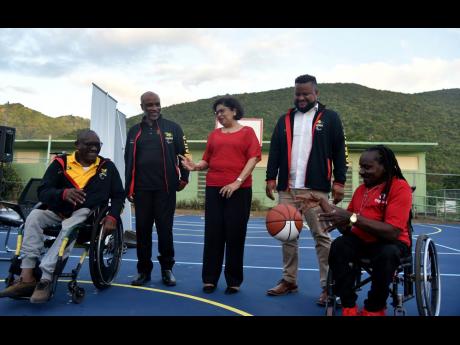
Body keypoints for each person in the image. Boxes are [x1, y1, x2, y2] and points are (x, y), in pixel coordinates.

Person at [0, 130, 124, 303]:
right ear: (77, 145)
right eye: (89, 144)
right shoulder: (61, 163)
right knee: (34, 217)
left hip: (87, 214)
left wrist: (113, 216)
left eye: (98, 145)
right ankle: (26, 276)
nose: (95, 148)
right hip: (58, 211)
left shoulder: (107, 167)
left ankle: (45, 278)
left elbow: (118, 195)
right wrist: (62, 194)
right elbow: (43, 191)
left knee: (70, 225)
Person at [265, 74, 348, 306]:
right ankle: (289, 280)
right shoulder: (284, 120)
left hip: (316, 191)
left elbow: (340, 151)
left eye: (305, 94)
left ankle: (328, 287)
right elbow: (275, 151)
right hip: (288, 188)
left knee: (322, 237)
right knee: (288, 235)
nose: (301, 98)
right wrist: (271, 177)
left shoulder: (330, 118)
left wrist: (339, 181)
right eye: (297, 94)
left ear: (316, 93)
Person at [300, 145, 412, 316]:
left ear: (385, 167)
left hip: (391, 243)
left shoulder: (399, 187)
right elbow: (347, 228)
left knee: (387, 253)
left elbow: (392, 232)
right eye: (361, 167)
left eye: (367, 167)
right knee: (339, 246)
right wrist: (328, 209)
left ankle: (374, 308)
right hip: (363, 242)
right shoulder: (361, 191)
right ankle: (348, 305)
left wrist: (351, 217)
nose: (362, 171)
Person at [180, 96, 261, 294]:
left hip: (239, 190)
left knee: (235, 234)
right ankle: (210, 279)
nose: (219, 115)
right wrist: (195, 166)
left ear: (234, 111)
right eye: (217, 112)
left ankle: (233, 281)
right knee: (213, 234)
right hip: (214, 188)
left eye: (222, 110)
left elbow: (253, 158)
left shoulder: (247, 133)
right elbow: (207, 160)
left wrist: (237, 182)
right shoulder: (214, 135)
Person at [125, 91, 190, 287]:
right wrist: (129, 186)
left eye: (157, 104)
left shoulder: (173, 128)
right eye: (149, 105)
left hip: (166, 189)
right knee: (143, 231)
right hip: (142, 190)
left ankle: (167, 269)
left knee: (165, 231)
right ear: (142, 107)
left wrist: (184, 178)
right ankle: (143, 271)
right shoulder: (134, 131)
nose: (154, 108)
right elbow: (128, 160)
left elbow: (184, 154)